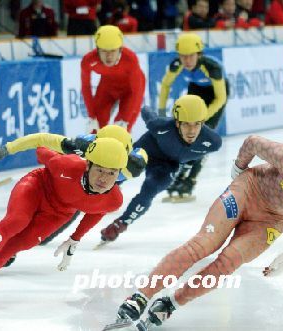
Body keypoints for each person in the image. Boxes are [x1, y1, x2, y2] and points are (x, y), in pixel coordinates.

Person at [108, 134, 283, 328]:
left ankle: (171, 304)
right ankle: (141, 296)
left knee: (228, 263)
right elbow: (254, 142)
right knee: (203, 245)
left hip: (273, 220)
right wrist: (239, 168)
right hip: (248, 191)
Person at [0, 138, 128, 305]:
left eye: (112, 173)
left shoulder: (114, 200)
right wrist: (65, 146)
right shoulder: (68, 165)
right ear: (88, 165)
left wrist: (75, 238)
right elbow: (41, 149)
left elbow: (96, 211)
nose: (104, 178)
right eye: (100, 170)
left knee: (17, 245)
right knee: (17, 221)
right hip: (37, 187)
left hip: (58, 213)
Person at [0, 124, 148, 254]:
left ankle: (12, 246)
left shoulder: (134, 163)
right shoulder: (82, 146)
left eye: (113, 165)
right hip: (70, 185)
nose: (109, 159)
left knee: (40, 238)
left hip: (87, 199)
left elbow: (146, 161)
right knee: (26, 221)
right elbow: (42, 140)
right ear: (94, 146)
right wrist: (7, 149)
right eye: (101, 161)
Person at [99, 95, 222, 244]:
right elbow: (146, 111)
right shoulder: (160, 126)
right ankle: (102, 191)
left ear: (203, 123)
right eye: (186, 125)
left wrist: (188, 169)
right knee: (122, 173)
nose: (192, 131)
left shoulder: (213, 142)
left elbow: (198, 155)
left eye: (197, 124)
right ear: (177, 123)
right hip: (147, 149)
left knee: (150, 189)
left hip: (168, 165)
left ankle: (120, 225)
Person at [158, 32, 228, 198]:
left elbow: (221, 98)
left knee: (200, 139)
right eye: (183, 57)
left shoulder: (212, 68)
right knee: (185, 137)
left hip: (215, 97)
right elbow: (165, 85)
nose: (187, 61)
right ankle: (181, 174)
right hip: (195, 91)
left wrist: (203, 119)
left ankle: (191, 179)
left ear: (199, 54)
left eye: (191, 56)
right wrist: (161, 110)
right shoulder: (177, 64)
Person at [81, 25, 145, 133]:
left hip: (130, 90)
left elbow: (135, 92)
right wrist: (92, 116)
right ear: (97, 50)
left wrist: (125, 119)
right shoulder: (88, 60)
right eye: (104, 51)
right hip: (107, 87)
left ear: (120, 49)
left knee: (120, 130)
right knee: (95, 129)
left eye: (113, 51)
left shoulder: (130, 59)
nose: (109, 56)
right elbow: (85, 88)